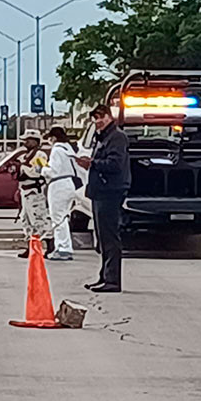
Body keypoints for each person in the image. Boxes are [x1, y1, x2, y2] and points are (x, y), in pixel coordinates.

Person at [83, 104, 131, 293]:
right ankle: (104, 276)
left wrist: (92, 163)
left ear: (110, 117)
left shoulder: (117, 137)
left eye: (101, 117)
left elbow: (115, 164)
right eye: (95, 118)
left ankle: (113, 280)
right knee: (102, 238)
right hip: (100, 191)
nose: (97, 121)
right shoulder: (102, 138)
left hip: (110, 191)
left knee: (110, 237)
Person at [42, 126, 83, 261]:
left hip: (58, 184)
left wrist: (41, 169)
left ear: (53, 138)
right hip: (71, 183)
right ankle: (64, 247)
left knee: (57, 217)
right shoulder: (69, 149)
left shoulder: (57, 150)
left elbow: (53, 171)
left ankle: (63, 249)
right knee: (64, 216)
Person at [16, 129, 53, 259]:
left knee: (39, 220)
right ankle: (31, 247)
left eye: (28, 140)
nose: (25, 142)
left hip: (35, 192)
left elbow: (39, 172)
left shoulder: (39, 155)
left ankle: (50, 246)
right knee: (26, 220)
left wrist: (23, 168)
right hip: (24, 191)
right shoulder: (24, 156)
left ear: (35, 141)